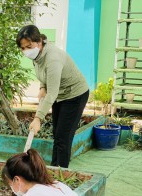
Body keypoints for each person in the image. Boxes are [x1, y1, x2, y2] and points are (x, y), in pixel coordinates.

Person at [17, 25, 89, 168]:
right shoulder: (37, 54)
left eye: (28, 46)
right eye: (23, 48)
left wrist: (38, 118)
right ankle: (54, 168)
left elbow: (52, 93)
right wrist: (42, 87)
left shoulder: (53, 58)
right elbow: (43, 74)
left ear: (39, 41)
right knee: (57, 134)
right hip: (59, 94)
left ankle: (60, 175)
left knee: (63, 137)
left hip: (75, 95)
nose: (26, 51)